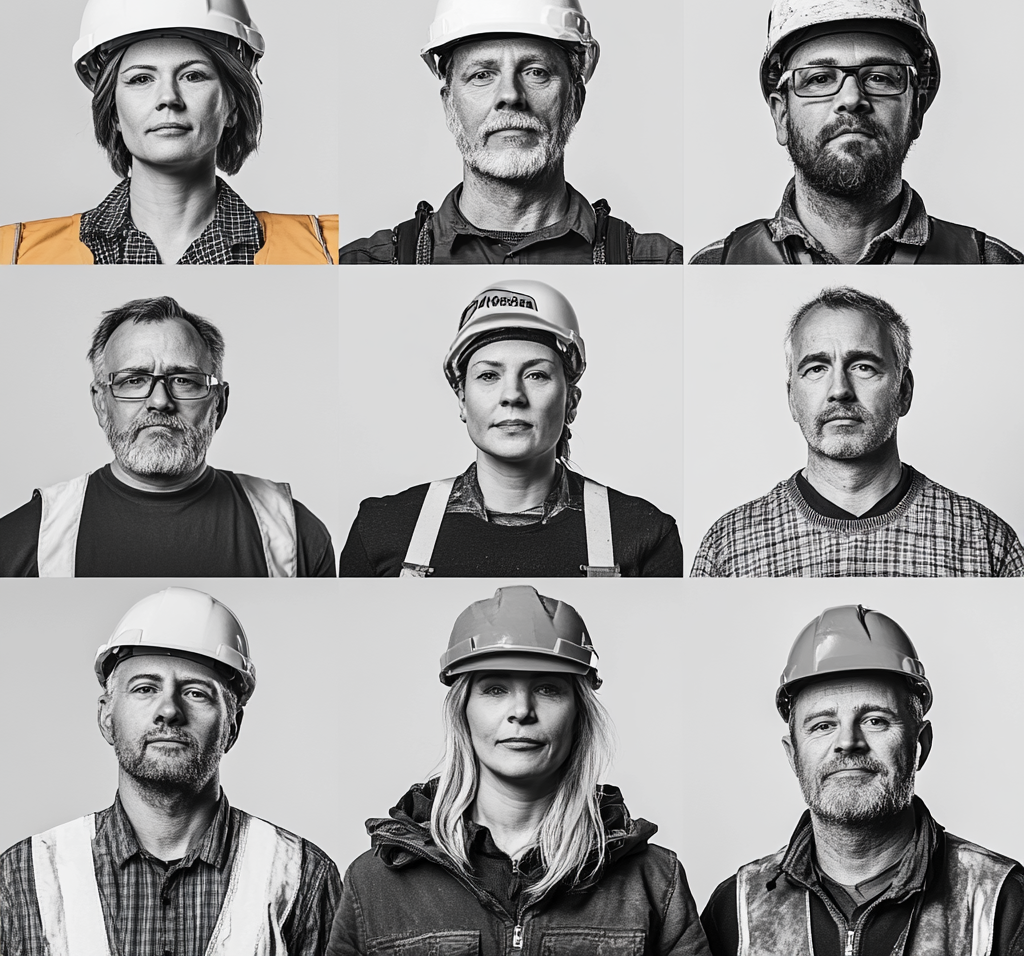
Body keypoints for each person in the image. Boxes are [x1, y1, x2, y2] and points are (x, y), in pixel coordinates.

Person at [327, 585, 708, 954]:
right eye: (495, 689)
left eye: (548, 688)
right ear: (463, 711)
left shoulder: (655, 880)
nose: (521, 711)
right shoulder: (374, 881)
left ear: (578, 713)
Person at [0, 587, 341, 954]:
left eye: (196, 693)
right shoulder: (24, 876)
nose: (168, 710)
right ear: (105, 716)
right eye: (145, 688)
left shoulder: (303, 875)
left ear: (233, 726)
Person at [701, 603, 1024, 955]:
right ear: (793, 756)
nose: (848, 743)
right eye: (823, 725)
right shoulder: (735, 908)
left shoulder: (1002, 899)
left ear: (920, 745)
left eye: (875, 720)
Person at [340, 0, 682, 264]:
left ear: (575, 100)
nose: (510, 95)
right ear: (449, 105)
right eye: (482, 75)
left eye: (536, 72)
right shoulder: (364, 263)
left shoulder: (657, 262)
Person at [0, 0, 336, 265]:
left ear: (231, 105)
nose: (168, 98)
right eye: (141, 79)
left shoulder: (327, 250)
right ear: (113, 110)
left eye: (193, 76)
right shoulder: (13, 253)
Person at [690, 0, 1022, 265]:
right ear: (781, 114)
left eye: (879, 76)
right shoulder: (713, 267)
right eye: (819, 79)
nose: (851, 99)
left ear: (917, 110)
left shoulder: (997, 265)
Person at [339, 279, 683, 576]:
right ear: (462, 400)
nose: (513, 396)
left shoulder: (644, 532)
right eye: (489, 375)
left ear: (571, 402)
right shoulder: (382, 528)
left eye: (536, 375)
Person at [691, 286, 1023, 576]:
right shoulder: (729, 545)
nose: (839, 389)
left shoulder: (984, 540)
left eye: (863, 367)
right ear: (792, 399)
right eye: (816, 368)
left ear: (904, 391)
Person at [0, 295, 335, 576]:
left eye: (184, 381)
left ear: (219, 403)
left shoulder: (295, 533)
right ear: (101, 403)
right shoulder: (23, 539)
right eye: (133, 380)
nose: (159, 401)